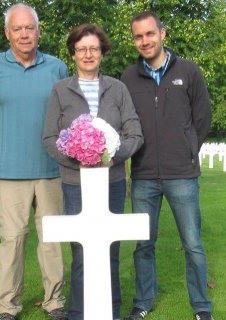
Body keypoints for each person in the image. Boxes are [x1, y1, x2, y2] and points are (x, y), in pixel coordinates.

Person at [0, 3, 68, 320]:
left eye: (30, 28)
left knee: (51, 240)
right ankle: (8, 307)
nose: (24, 34)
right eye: (17, 29)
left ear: (39, 32)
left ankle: (55, 302)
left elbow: (66, 114)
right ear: (7, 33)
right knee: (11, 241)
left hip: (51, 170)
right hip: (9, 174)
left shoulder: (57, 68)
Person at [43, 23, 143, 320]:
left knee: (109, 251)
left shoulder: (118, 89)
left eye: (94, 49)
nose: (88, 54)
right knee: (82, 253)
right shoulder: (61, 90)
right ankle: (78, 314)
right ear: (73, 53)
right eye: (82, 49)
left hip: (111, 181)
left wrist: (113, 156)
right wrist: (81, 160)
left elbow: (134, 133)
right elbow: (49, 139)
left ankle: (110, 312)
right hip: (76, 184)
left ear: (102, 52)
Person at [120, 11, 215, 320]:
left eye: (150, 34)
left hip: (182, 175)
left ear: (163, 33)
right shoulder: (128, 78)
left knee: (192, 244)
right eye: (138, 36)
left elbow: (202, 117)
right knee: (143, 245)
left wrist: (187, 150)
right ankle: (143, 301)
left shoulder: (188, 71)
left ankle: (201, 307)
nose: (144, 41)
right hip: (144, 175)